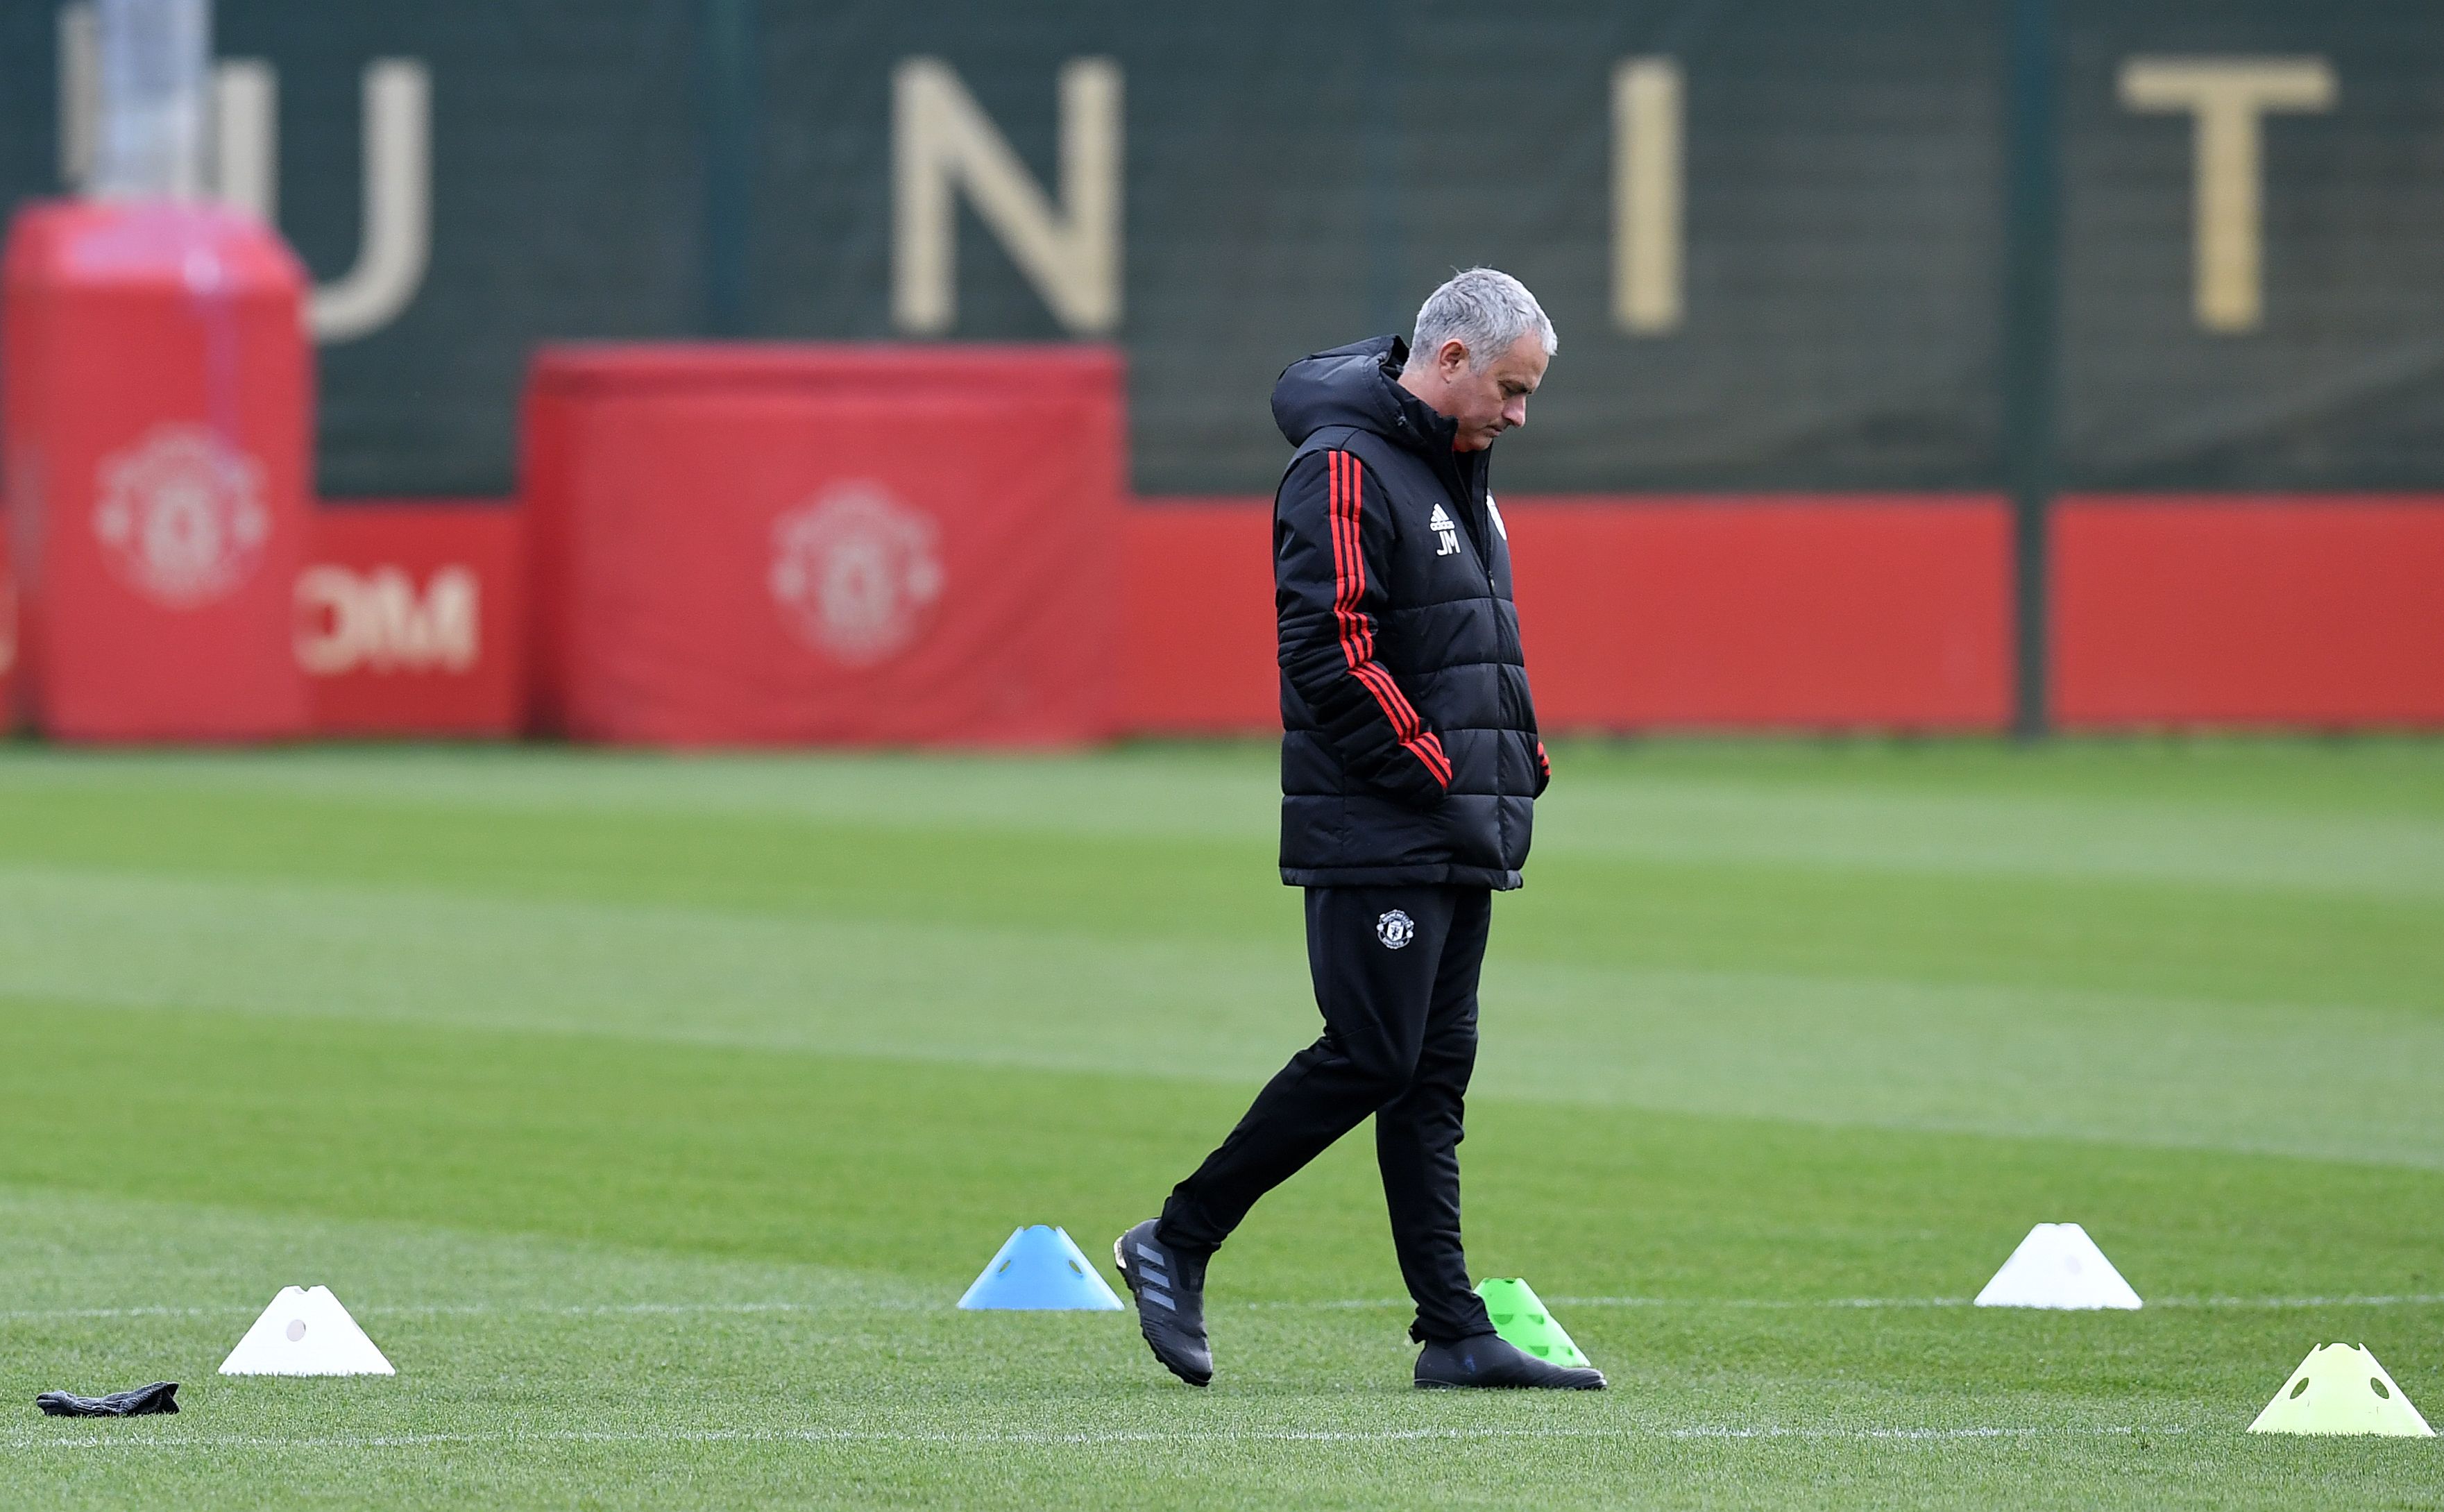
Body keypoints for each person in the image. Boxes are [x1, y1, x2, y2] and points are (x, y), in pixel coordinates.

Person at [1112, 269, 1602, 1391]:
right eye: (1511, 389)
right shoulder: (1337, 466)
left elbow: (1479, 641)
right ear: (1447, 363)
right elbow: (1327, 647)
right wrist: (1434, 770)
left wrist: (1511, 756)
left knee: (1433, 1076)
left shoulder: (1455, 466)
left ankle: (1454, 1331)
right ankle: (1177, 1238)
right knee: (1372, 1054)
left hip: (1456, 822)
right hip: (1377, 823)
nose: (1519, 414)